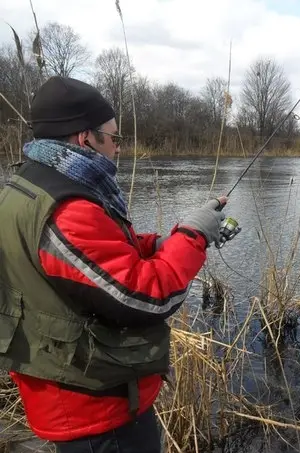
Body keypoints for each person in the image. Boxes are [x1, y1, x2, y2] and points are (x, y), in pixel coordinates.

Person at [0, 76, 227, 452]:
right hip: (97, 411)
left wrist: (165, 241)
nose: (118, 148)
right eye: (114, 137)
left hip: (76, 395)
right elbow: (148, 297)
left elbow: (101, 253)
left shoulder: (33, 186)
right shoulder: (66, 211)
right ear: (84, 138)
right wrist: (193, 238)